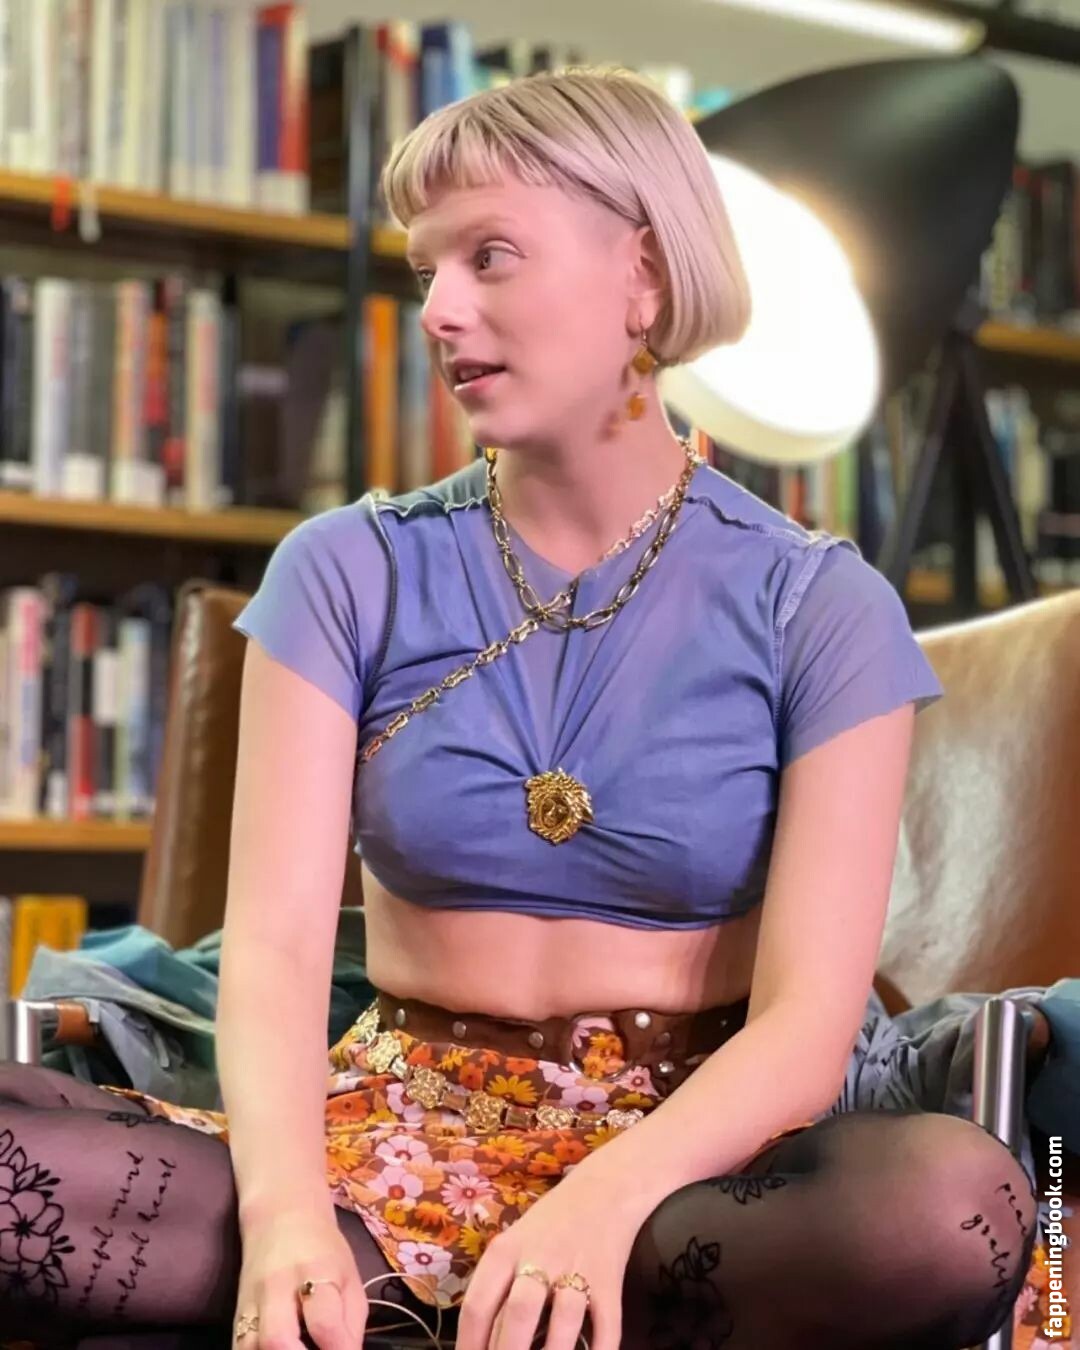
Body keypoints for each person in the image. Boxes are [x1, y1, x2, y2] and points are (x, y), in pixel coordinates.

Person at [0, 63, 1066, 1350]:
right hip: (378, 1136)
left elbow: (804, 1022)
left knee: (954, 1211)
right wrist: (283, 1217)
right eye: (426, 269)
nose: (439, 311)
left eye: (490, 257)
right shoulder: (344, 569)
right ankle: (391, 1302)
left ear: (645, 276)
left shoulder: (821, 606)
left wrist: (596, 1211)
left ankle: (444, 1318)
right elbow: (275, 953)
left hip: (685, 1171)